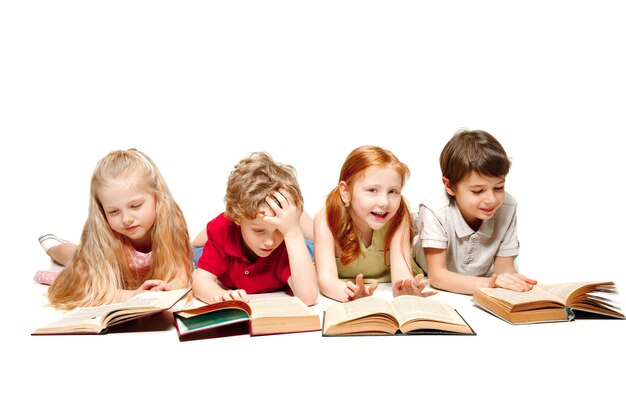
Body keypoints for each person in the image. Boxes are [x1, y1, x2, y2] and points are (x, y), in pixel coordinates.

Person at [39, 149, 194, 309]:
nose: (126, 219)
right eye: (113, 211)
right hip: (98, 255)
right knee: (72, 255)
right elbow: (92, 289)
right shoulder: (103, 234)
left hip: (132, 263)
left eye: (135, 206)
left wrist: (165, 290)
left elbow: (181, 277)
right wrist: (132, 295)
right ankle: (52, 246)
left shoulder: (172, 222)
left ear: (157, 197)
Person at [412, 129, 537, 295]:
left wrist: (509, 283)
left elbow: (503, 272)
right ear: (449, 186)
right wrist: (490, 284)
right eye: (478, 191)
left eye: (499, 187)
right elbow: (437, 276)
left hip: (483, 278)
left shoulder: (507, 206)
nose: (491, 199)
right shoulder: (435, 209)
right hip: (428, 271)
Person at [191, 152, 318, 306]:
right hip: (222, 236)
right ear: (237, 218)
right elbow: (200, 282)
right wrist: (221, 295)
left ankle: (299, 218)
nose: (270, 242)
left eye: (277, 229)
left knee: (316, 247)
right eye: (258, 230)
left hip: (300, 243)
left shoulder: (286, 238)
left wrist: (292, 231)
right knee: (194, 250)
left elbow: (309, 297)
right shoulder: (224, 229)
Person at [314, 145, 436, 303]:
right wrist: (351, 295)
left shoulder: (399, 216)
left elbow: (401, 273)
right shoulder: (325, 220)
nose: (384, 202)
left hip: (385, 284)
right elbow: (326, 280)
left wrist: (404, 290)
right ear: (346, 192)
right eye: (372, 190)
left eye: (392, 192)